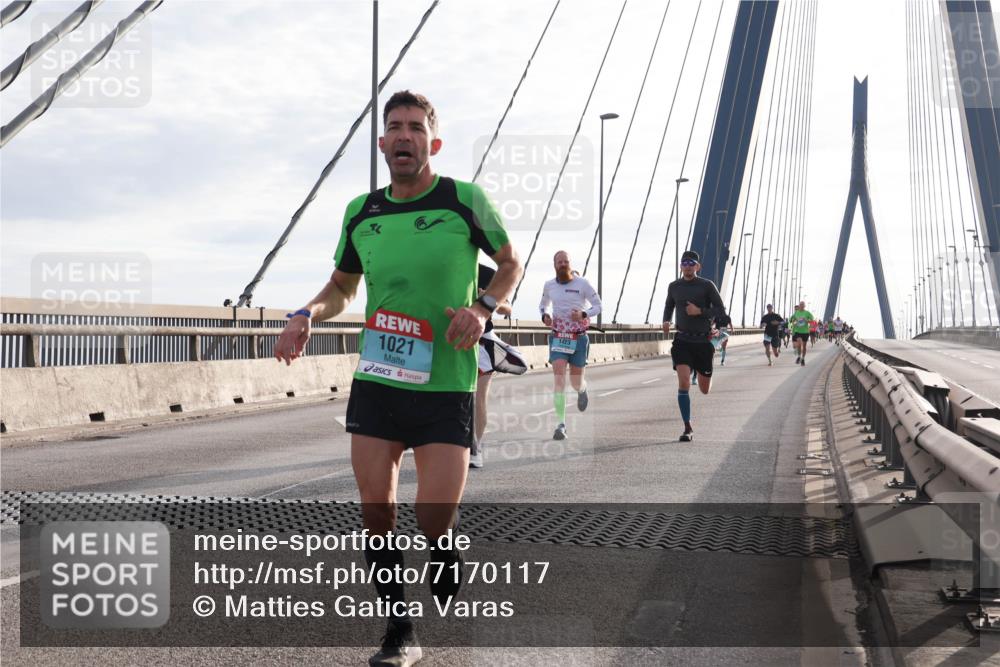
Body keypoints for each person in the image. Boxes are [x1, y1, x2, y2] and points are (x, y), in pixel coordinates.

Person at [274, 90, 521, 667]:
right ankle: (399, 629)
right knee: (376, 508)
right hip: (381, 380)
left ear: (432, 142)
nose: (404, 136)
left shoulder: (465, 201)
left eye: (415, 127)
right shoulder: (362, 212)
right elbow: (341, 289)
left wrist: (482, 308)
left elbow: (510, 263)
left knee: (434, 513)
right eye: (394, 128)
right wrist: (306, 313)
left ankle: (443, 547)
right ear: (383, 143)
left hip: (446, 385)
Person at [662, 250, 728, 442]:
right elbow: (669, 305)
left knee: (704, 389)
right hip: (682, 340)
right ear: (680, 266)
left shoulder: (707, 286)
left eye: (692, 263)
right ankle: (687, 427)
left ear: (698, 266)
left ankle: (705, 372)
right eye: (684, 263)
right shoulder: (674, 286)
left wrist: (699, 311)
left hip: (703, 341)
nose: (688, 266)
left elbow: (721, 311)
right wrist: (666, 320)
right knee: (683, 382)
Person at [539, 250, 601, 440]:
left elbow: (598, 306)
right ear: (555, 265)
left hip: (578, 337)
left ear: (570, 264)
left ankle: (582, 390)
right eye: (560, 262)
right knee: (559, 379)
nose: (563, 264)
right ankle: (560, 425)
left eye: (566, 261)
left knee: (575, 382)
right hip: (559, 336)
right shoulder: (549, 285)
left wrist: (583, 314)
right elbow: (543, 305)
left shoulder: (583, 283)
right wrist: (545, 316)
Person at [470, 263, 513, 469]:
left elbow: (507, 308)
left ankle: (476, 447)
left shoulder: (488, 274)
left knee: (479, 397)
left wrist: (488, 298)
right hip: (449, 339)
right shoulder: (447, 266)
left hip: (482, 342)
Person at [790, 301, 815, 366]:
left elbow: (812, 320)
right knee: (799, 343)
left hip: (805, 332)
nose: (801, 306)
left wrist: (806, 320)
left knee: (804, 346)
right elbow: (791, 320)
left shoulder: (807, 313)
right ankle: (799, 356)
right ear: (799, 306)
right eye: (800, 305)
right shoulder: (796, 313)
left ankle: (803, 359)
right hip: (798, 331)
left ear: (804, 306)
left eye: (802, 305)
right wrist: (794, 322)